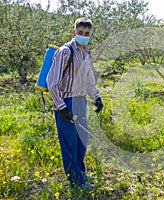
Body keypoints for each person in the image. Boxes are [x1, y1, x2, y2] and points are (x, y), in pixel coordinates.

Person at [46, 17, 103, 189]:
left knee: (81, 141)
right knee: (70, 142)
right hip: (66, 102)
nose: (83, 36)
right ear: (74, 32)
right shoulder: (65, 51)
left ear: (90, 34)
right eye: (80, 33)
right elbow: (51, 81)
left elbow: (88, 79)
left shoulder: (86, 52)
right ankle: (76, 182)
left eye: (87, 33)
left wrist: (96, 97)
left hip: (80, 101)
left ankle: (81, 173)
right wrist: (61, 107)